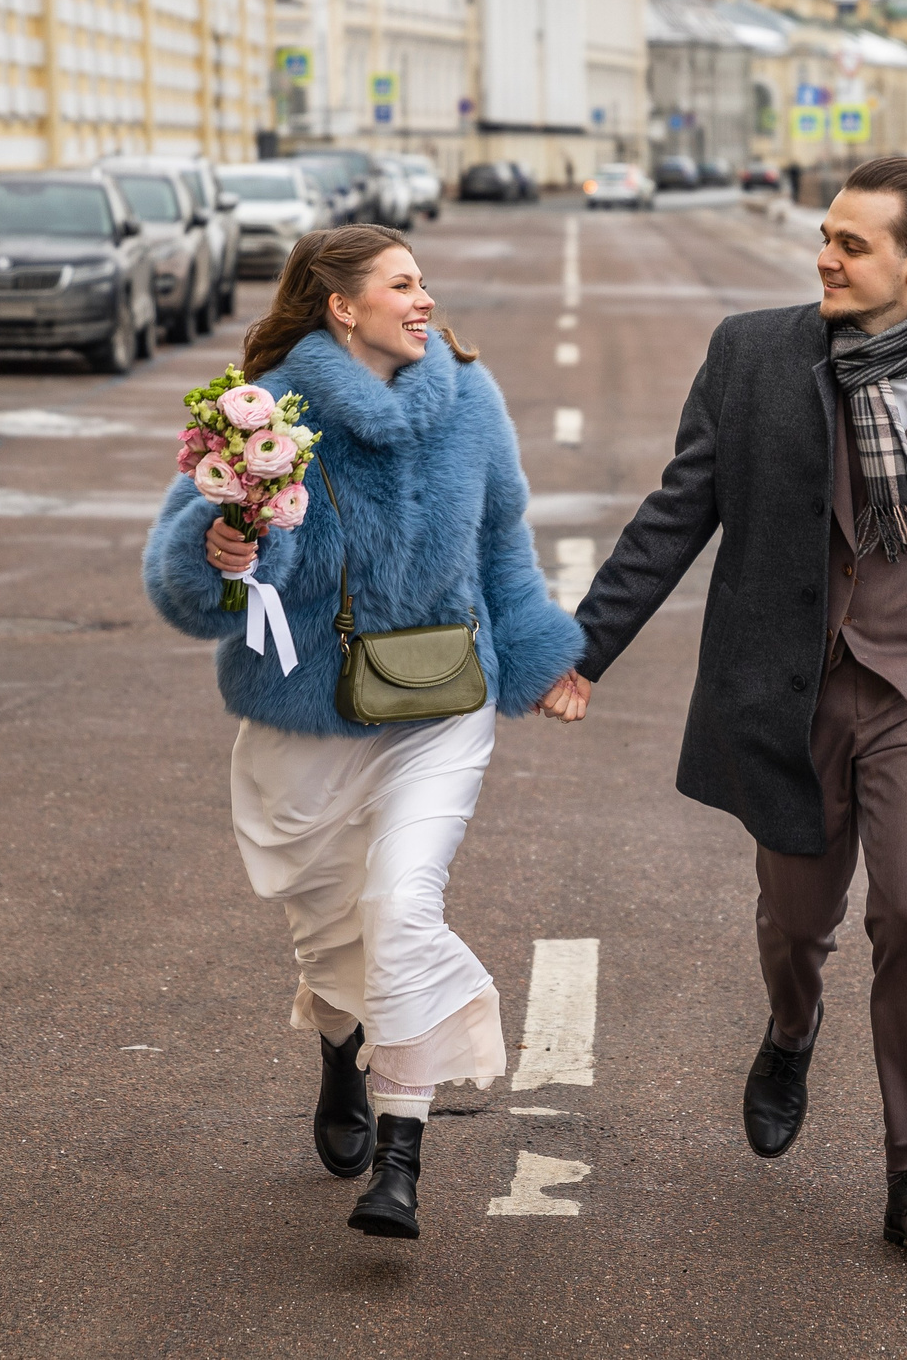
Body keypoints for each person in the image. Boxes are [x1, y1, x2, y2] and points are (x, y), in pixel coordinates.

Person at [540, 157, 907, 1255]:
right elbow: (677, 512)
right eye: (824, 235)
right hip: (792, 687)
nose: (824, 255)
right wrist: (580, 651)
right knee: (796, 921)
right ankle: (789, 1024)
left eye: (851, 244)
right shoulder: (755, 355)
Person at [145, 223, 582, 1241]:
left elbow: (503, 546)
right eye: (402, 284)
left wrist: (541, 656)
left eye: (423, 281)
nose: (425, 300)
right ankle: (340, 1043)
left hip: (438, 701)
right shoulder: (258, 419)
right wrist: (225, 552)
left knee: (400, 906)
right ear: (342, 306)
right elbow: (182, 580)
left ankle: (402, 1158)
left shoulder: (470, 399)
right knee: (336, 934)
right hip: (304, 715)